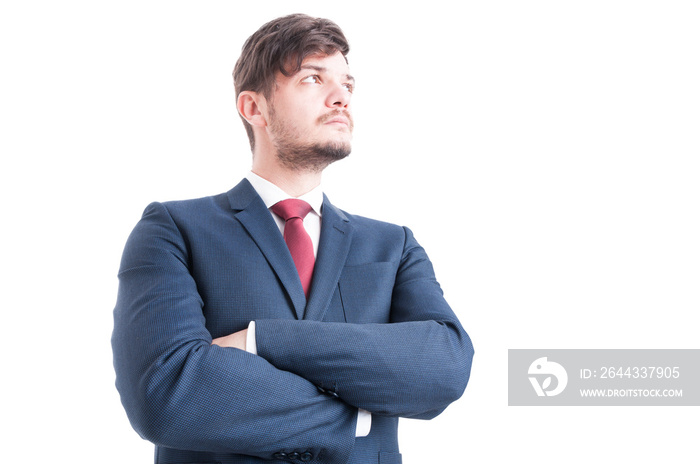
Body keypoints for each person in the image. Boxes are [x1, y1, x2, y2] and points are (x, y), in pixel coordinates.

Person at [112, 13, 474, 464]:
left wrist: (261, 340)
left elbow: (445, 367)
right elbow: (166, 394)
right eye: (313, 78)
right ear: (254, 108)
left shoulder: (392, 246)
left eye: (347, 83)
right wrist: (356, 417)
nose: (341, 96)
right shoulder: (174, 230)